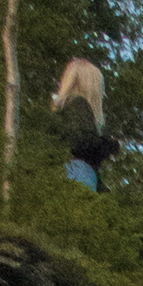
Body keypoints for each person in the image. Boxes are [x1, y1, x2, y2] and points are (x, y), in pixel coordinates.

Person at [53, 57, 117, 190]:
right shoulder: (78, 104)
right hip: (77, 171)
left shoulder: (62, 110)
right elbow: (81, 142)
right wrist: (109, 144)